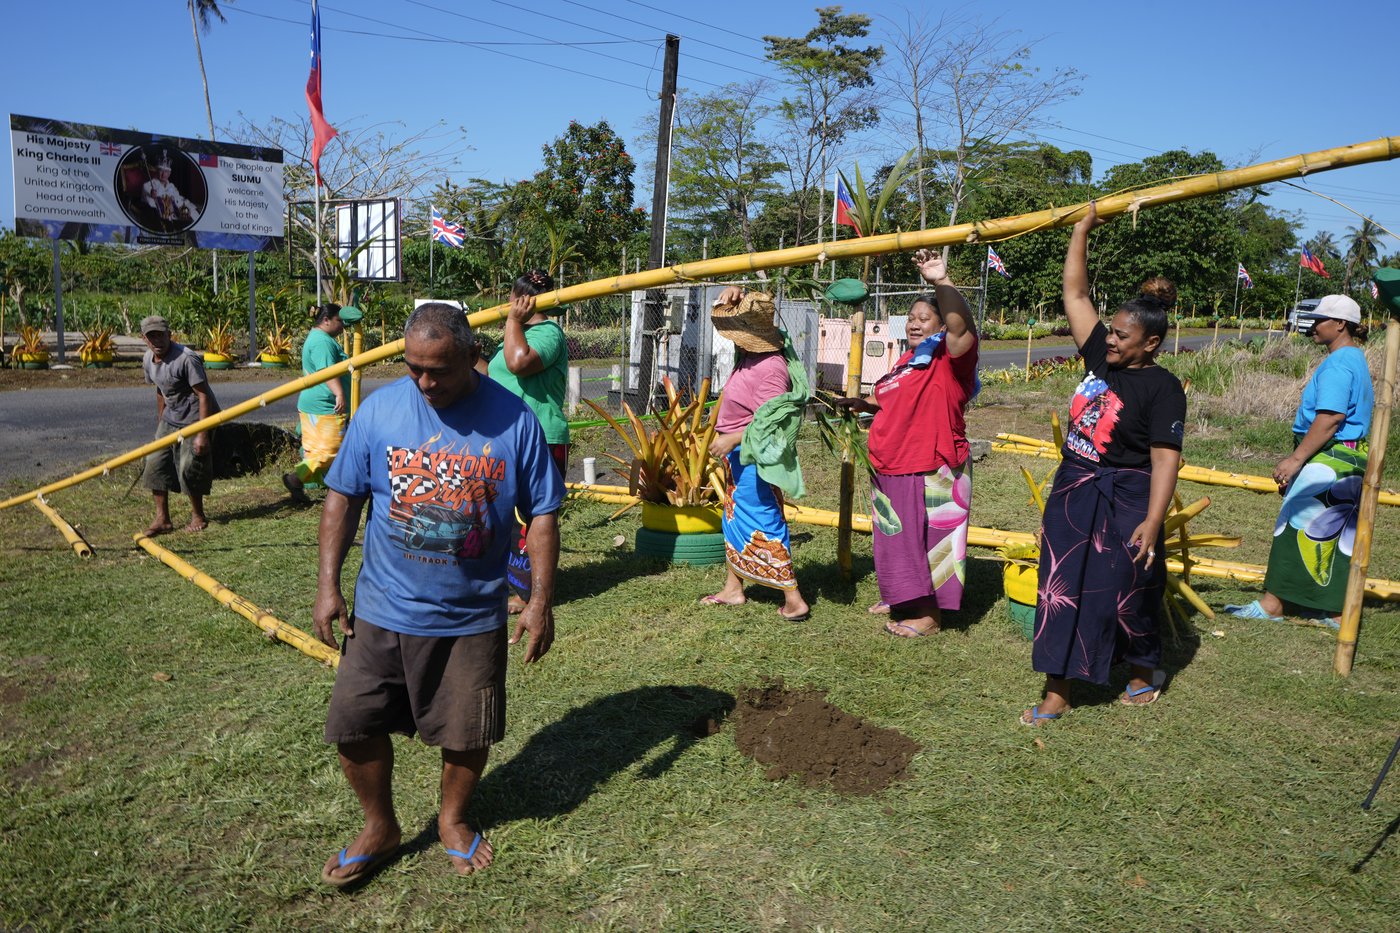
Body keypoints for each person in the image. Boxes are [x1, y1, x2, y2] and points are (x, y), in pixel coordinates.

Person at [313, 302, 563, 886]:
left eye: (439, 370)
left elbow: (544, 514)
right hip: (381, 610)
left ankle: (452, 820)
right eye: (414, 368)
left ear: (473, 357)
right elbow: (343, 498)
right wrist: (327, 586)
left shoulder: (515, 420)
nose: (425, 383)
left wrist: (539, 603)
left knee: (466, 731)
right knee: (353, 724)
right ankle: (380, 825)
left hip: (470, 617)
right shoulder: (379, 412)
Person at [1023, 202, 1187, 725]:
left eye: (1121, 336)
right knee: (1060, 586)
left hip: (1129, 495)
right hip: (1075, 488)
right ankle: (1058, 689)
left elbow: (1165, 458)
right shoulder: (1100, 357)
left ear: (1151, 343)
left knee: (1129, 589)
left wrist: (1154, 520)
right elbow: (1075, 293)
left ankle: (1141, 669)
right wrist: (1082, 229)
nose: (1110, 340)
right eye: (1110, 331)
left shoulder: (1163, 388)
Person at [831, 249, 979, 637]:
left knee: (927, 540)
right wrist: (863, 403)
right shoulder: (909, 360)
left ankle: (928, 616)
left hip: (929, 463)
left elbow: (961, 327)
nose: (914, 323)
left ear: (941, 323)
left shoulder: (951, 357)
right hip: (891, 462)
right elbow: (889, 398)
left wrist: (940, 280)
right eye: (911, 317)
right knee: (896, 537)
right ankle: (903, 597)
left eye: (924, 318)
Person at [1225, 293, 1373, 626]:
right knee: (1333, 537)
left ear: (1340, 324)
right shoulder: (1355, 359)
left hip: (1330, 458)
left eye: (1320, 320)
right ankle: (1331, 609)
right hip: (1348, 458)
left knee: (1295, 526)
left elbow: (1330, 418)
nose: (1313, 325)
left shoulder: (1339, 363)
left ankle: (1274, 605)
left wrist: (1296, 459)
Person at [700, 288, 811, 622]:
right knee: (735, 517)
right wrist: (736, 292)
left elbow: (772, 425)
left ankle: (794, 599)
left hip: (754, 457)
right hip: (739, 457)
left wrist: (732, 438)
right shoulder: (750, 355)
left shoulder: (772, 368)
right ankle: (733, 588)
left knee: (762, 519)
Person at [481, 270, 570, 613]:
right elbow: (493, 374)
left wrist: (512, 321)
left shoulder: (548, 333)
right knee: (504, 512)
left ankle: (531, 593)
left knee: (535, 515)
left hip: (541, 435)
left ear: (516, 299)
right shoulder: (515, 332)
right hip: (505, 435)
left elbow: (519, 363)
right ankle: (517, 583)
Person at [138, 314, 220, 535]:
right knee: (154, 462)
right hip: (170, 418)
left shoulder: (186, 358)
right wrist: (160, 422)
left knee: (189, 466)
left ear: (169, 334)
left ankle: (198, 515)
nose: (157, 341)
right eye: (152, 337)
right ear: (144, 339)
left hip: (195, 418)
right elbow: (160, 390)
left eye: (161, 335)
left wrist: (202, 433)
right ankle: (162, 519)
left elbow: (204, 395)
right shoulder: (147, 359)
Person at [283, 302, 364, 505]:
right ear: (326, 320)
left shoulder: (321, 338)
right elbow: (326, 370)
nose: (342, 326)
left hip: (322, 404)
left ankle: (336, 490)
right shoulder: (322, 342)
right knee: (328, 452)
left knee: (331, 450)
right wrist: (339, 393)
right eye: (339, 321)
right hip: (323, 405)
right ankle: (294, 480)